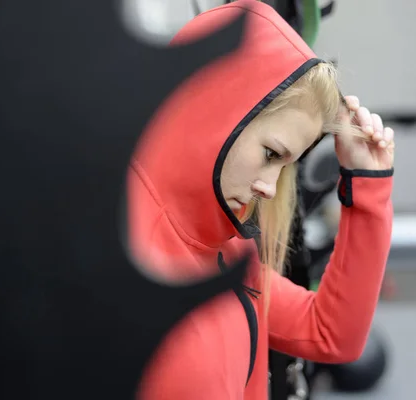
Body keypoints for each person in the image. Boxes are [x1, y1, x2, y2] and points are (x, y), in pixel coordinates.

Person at [127, 1, 395, 399]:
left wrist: (368, 184)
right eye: (271, 155)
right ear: (214, 112)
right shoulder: (122, 259)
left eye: (284, 166)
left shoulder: (227, 253)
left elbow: (331, 333)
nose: (270, 188)